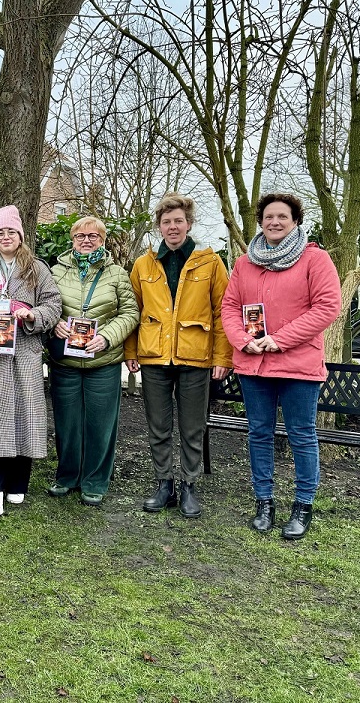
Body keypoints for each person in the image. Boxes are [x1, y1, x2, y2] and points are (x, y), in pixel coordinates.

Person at [221, 193, 341, 540]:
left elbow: (326, 307)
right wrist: (242, 339)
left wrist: (281, 339)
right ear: (260, 222)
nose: (274, 222)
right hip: (253, 364)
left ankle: (303, 506)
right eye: (268, 217)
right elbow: (230, 307)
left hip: (296, 365)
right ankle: (264, 502)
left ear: (295, 221)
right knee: (259, 434)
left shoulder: (314, 259)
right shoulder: (245, 263)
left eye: (282, 217)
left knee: (301, 436)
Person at [124, 193, 232, 519]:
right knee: (158, 425)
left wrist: (222, 358)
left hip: (195, 355)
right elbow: (134, 310)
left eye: (178, 221)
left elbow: (222, 312)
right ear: (159, 226)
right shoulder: (144, 264)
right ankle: (163, 483)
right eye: (166, 222)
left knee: (192, 425)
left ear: (189, 223)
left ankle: (189, 485)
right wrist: (131, 351)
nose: (173, 227)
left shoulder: (210, 263)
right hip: (155, 356)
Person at [0, 206, 62, 517]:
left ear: (20, 235)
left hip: (24, 354)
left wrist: (33, 315)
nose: (6, 237)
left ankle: (19, 483)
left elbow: (54, 303)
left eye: (11, 232)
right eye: (0, 232)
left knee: (24, 416)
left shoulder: (37, 269)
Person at [47, 216, 139, 507]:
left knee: (101, 425)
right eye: (80, 236)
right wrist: (55, 323)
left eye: (93, 236)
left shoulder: (117, 274)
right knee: (67, 424)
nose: (86, 241)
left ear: (103, 240)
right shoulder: (56, 271)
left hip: (103, 362)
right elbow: (45, 304)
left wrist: (108, 337)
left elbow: (130, 313)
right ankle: (67, 476)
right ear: (72, 240)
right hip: (66, 363)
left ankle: (96, 480)